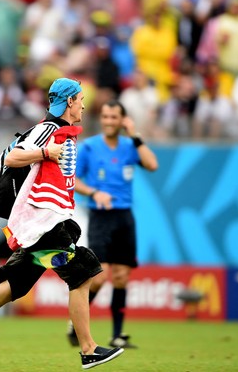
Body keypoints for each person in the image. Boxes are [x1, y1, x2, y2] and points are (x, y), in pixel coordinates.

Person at [0, 78, 125, 369]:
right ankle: (88, 348)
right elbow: (14, 157)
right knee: (83, 272)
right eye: (80, 100)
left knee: (16, 284)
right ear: (69, 102)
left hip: (44, 223)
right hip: (42, 224)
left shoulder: (64, 133)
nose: (83, 105)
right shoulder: (48, 129)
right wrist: (45, 153)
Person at [67, 100, 158, 349]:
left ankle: (117, 335)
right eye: (105, 117)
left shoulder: (130, 146)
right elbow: (73, 179)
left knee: (121, 276)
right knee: (100, 275)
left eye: (114, 117)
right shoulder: (90, 147)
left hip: (124, 216)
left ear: (122, 120)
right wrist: (95, 192)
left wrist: (136, 135)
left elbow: (152, 165)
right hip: (100, 216)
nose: (108, 121)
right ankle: (76, 322)